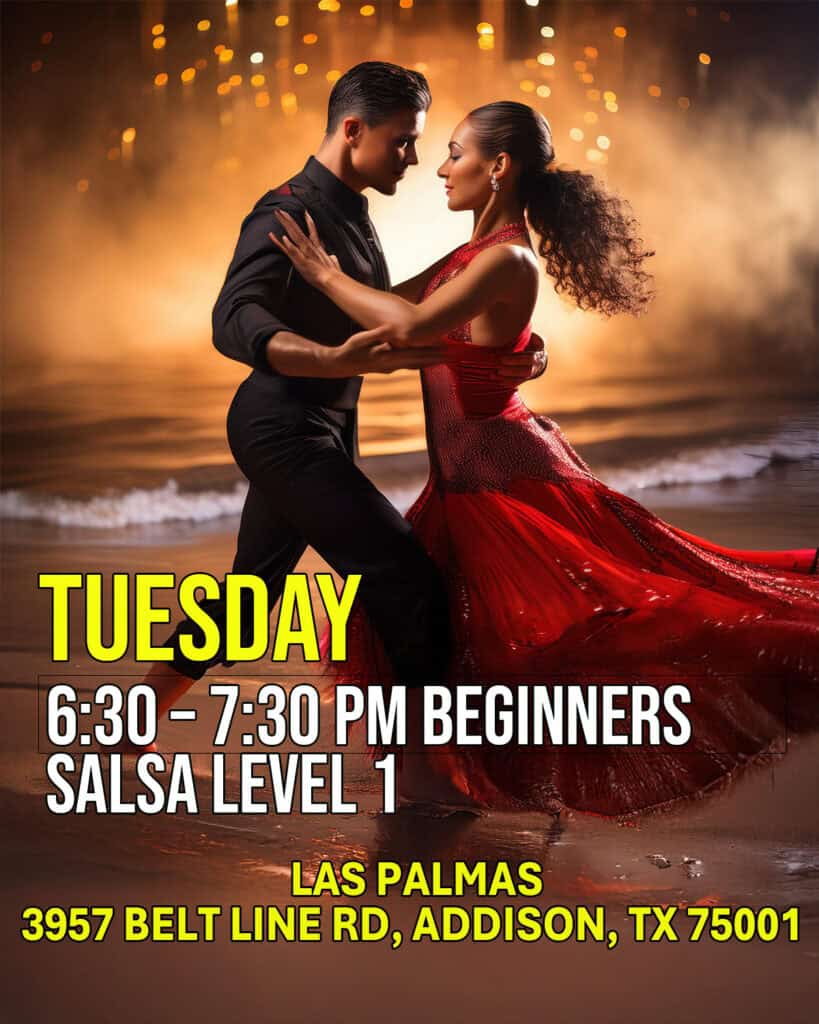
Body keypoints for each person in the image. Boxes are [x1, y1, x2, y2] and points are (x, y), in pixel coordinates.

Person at [273, 100, 819, 817]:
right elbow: (388, 321)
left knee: (630, 621)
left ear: (497, 167)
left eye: (455, 153)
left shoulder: (507, 257)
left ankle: (443, 793)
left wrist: (320, 273)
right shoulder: (470, 257)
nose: (439, 168)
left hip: (504, 480)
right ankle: (438, 786)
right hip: (471, 478)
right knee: (436, 626)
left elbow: (403, 321)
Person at [130, 67, 546, 750]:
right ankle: (425, 770)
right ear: (352, 131)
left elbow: (438, 304)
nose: (414, 161)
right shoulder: (287, 210)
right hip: (280, 427)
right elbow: (233, 318)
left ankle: (126, 730)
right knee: (406, 579)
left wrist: (522, 345)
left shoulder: (351, 211)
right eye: (403, 142)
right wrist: (325, 360)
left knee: (248, 600)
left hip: (319, 427)